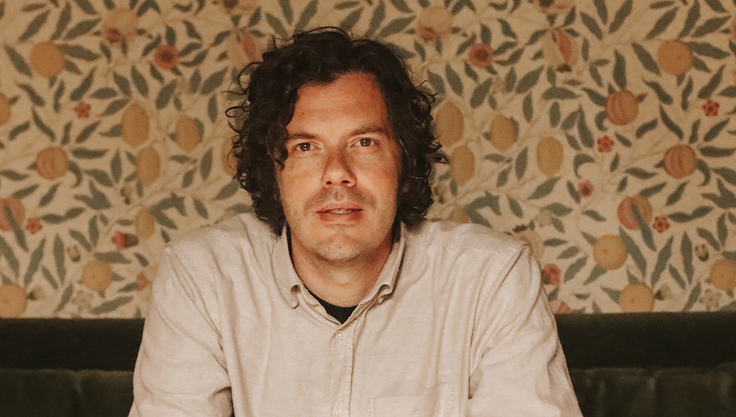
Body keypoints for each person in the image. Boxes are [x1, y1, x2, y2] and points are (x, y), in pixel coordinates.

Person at [130, 27, 582, 417]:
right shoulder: (202, 276)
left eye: (364, 142)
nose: (337, 173)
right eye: (306, 146)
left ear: (402, 160)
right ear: (273, 168)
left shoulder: (492, 277)